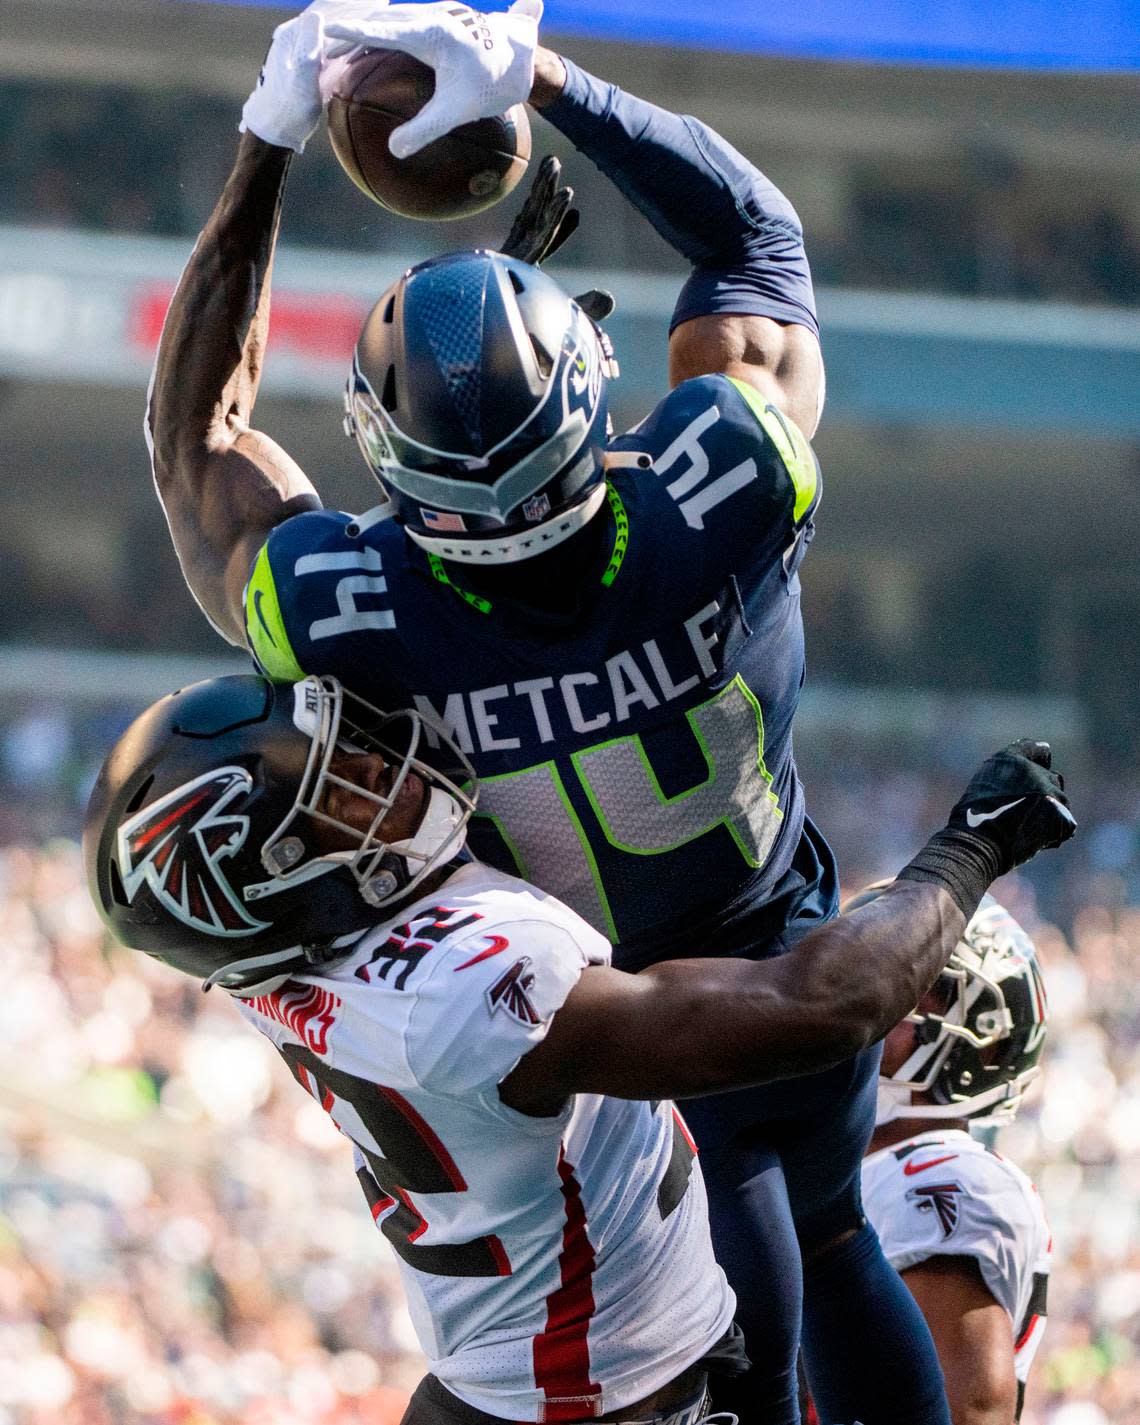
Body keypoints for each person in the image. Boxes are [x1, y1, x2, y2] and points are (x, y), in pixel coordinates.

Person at [141, 4, 1024, 1419]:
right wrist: (548, 79)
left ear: (386, 461)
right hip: (772, 939)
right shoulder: (718, 489)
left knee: (710, 1349)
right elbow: (757, 243)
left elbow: (191, 438)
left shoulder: (349, 611)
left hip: (590, 1021)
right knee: (838, 1236)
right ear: (590, 396)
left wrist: (269, 140)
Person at [84, 670, 1073, 1425]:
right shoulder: (458, 993)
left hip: (492, 1373)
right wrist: (969, 847)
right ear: (279, 874)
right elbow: (820, 1004)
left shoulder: (274, 960)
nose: (387, 770)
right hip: (605, 1391)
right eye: (346, 793)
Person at [855, 890, 1052, 1425]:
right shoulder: (850, 1170)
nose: (861, 995)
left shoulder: (942, 1176)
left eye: (901, 984)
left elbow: (966, 1415)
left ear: (977, 1042)